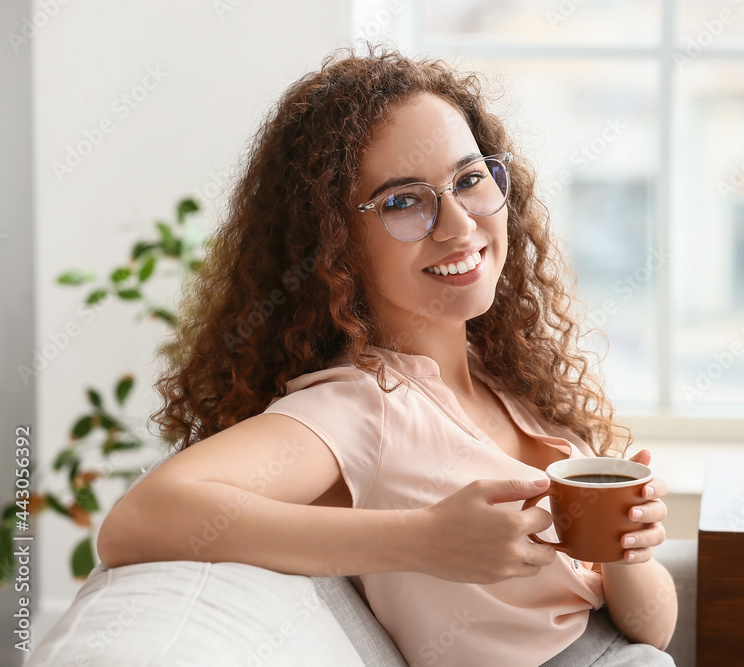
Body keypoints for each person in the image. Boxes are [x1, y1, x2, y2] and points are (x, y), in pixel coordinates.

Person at [96, 45, 678, 667]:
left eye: (469, 179)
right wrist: (424, 540)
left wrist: (629, 551)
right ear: (333, 242)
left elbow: (653, 631)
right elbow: (138, 520)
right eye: (404, 200)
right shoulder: (364, 403)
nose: (457, 225)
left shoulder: (508, 383)